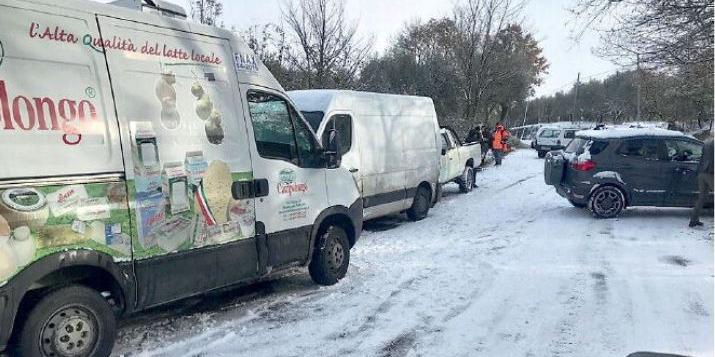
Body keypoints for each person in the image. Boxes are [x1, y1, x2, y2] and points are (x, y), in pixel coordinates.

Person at [689, 135, 714, 228]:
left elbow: (702, 157)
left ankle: (693, 220)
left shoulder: (707, 142)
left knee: (702, 197)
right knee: (702, 197)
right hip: (711, 173)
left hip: (702, 173)